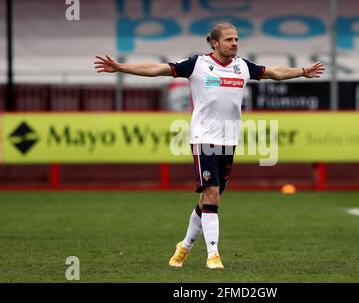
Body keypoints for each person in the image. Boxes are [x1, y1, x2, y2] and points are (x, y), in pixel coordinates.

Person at [95, 23, 325, 270]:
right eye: (229, 40)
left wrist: (302, 71)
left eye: (236, 39)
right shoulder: (197, 64)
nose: (234, 43)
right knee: (212, 193)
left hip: (229, 140)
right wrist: (120, 68)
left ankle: (183, 247)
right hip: (204, 139)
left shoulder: (243, 66)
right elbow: (156, 69)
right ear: (214, 43)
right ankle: (213, 255)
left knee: (209, 199)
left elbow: (275, 73)